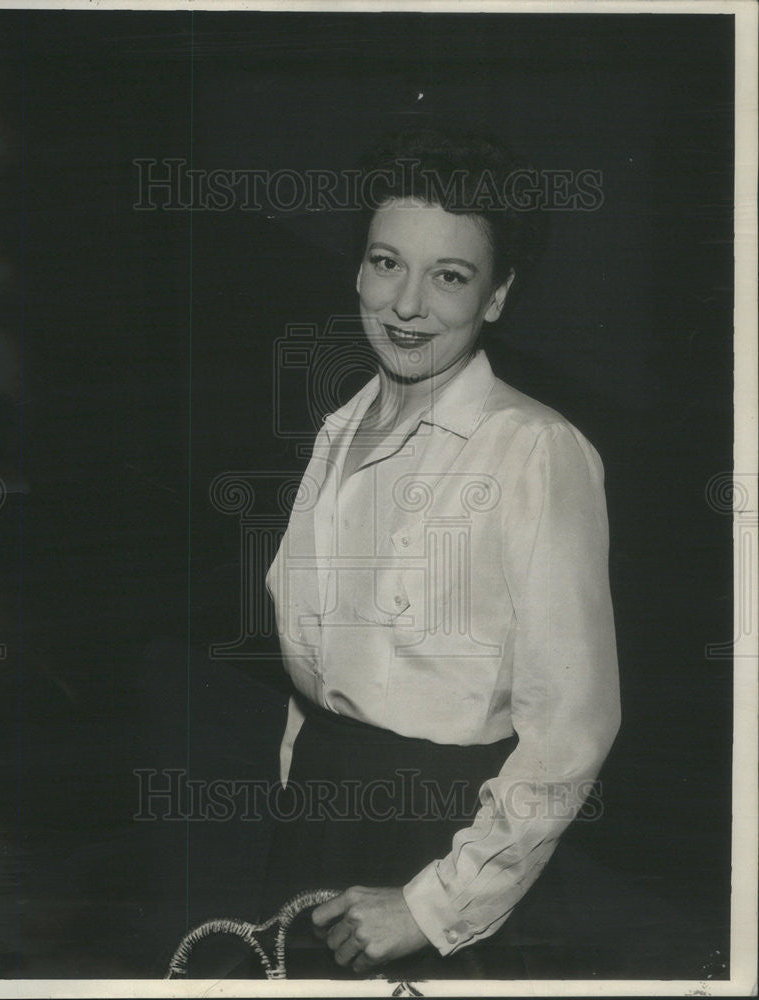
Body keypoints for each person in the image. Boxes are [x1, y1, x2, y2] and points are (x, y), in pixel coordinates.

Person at [260, 125, 621, 979]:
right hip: (313, 830)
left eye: (449, 276)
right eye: (387, 263)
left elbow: (574, 728)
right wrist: (295, 807)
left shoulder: (533, 449)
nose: (407, 304)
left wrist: (432, 905)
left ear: (495, 297)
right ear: (358, 270)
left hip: (439, 843)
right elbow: (317, 677)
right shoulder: (336, 431)